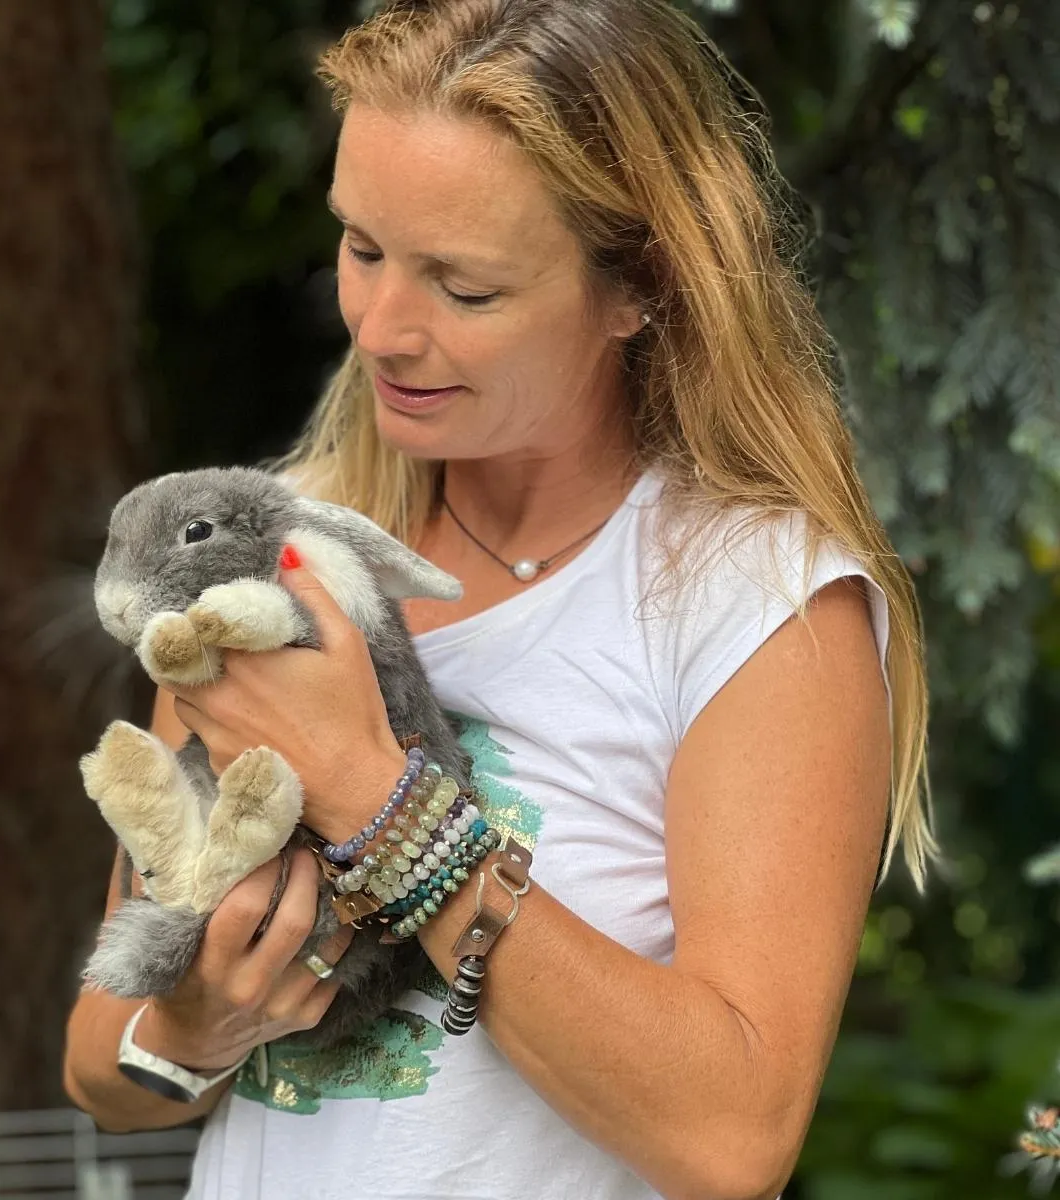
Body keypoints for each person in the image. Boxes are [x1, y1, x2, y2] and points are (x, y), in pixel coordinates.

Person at [63, 1, 938, 1197]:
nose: (379, 327)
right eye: (361, 248)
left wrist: (378, 796)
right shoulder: (283, 542)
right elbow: (99, 1070)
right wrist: (193, 1030)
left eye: (463, 289)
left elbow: (732, 1139)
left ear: (640, 290)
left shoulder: (757, 602)